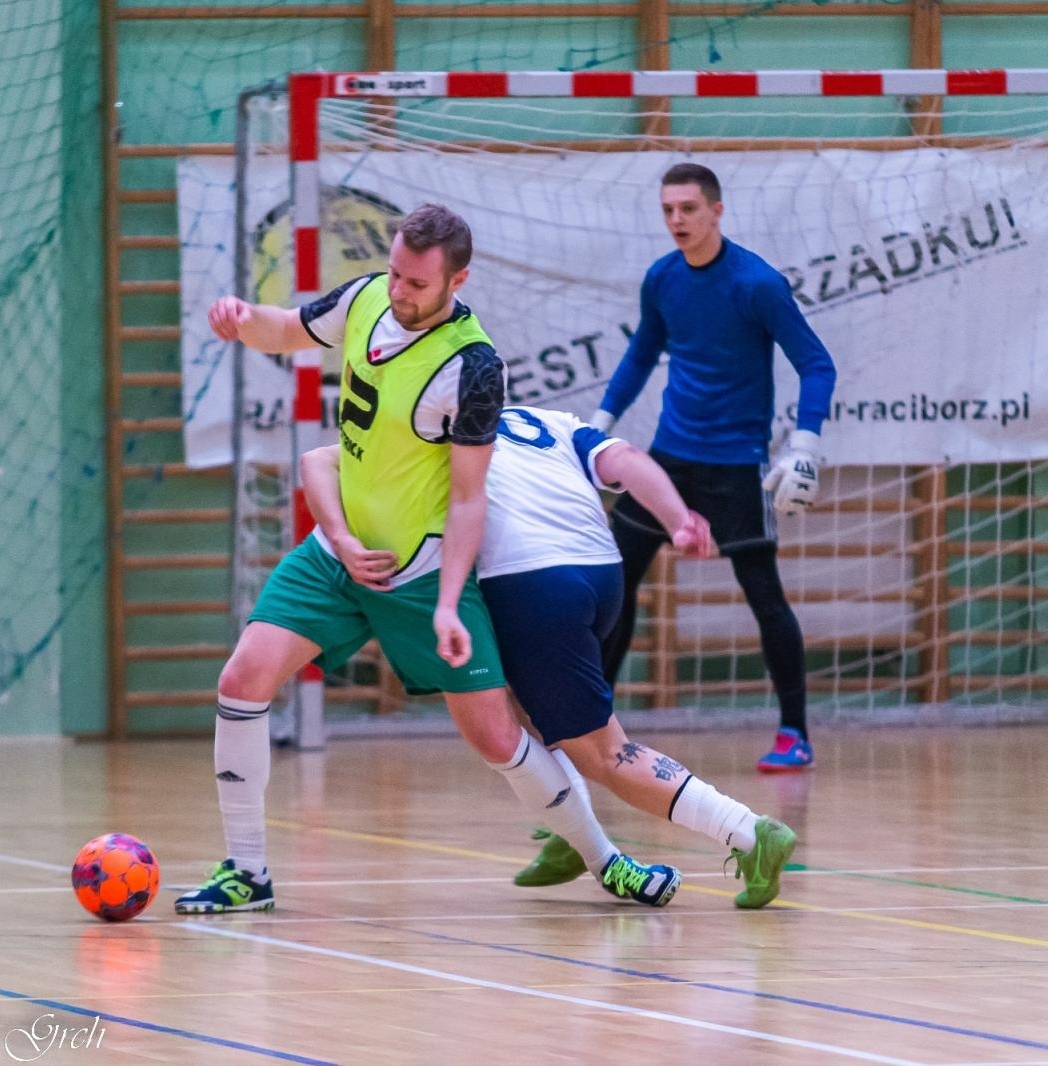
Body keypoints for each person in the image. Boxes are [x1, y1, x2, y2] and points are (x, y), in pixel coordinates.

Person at [176, 204, 680, 913]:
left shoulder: (474, 367)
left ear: (456, 278)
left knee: (497, 736)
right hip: (337, 553)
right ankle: (247, 872)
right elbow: (286, 329)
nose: (400, 291)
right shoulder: (365, 298)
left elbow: (469, 498)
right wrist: (240, 318)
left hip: (416, 571)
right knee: (244, 675)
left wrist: (447, 602)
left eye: (416, 282)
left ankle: (606, 860)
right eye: (395, 272)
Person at [300, 405, 800, 908]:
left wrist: (344, 538)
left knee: (604, 752)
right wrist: (678, 520)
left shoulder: (426, 428)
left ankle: (749, 833)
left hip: (531, 582)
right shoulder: (541, 419)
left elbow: (320, 460)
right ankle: (572, 835)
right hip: (601, 572)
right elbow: (625, 458)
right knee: (535, 710)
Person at [592, 162, 838, 773]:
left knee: (764, 596)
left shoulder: (757, 284)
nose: (676, 220)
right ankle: (589, 730)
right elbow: (641, 355)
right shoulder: (662, 279)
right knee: (614, 586)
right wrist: (600, 422)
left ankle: (793, 733)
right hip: (668, 458)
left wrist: (804, 442)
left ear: (716, 211)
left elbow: (817, 364)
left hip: (734, 464)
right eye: (668, 209)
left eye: (688, 209)